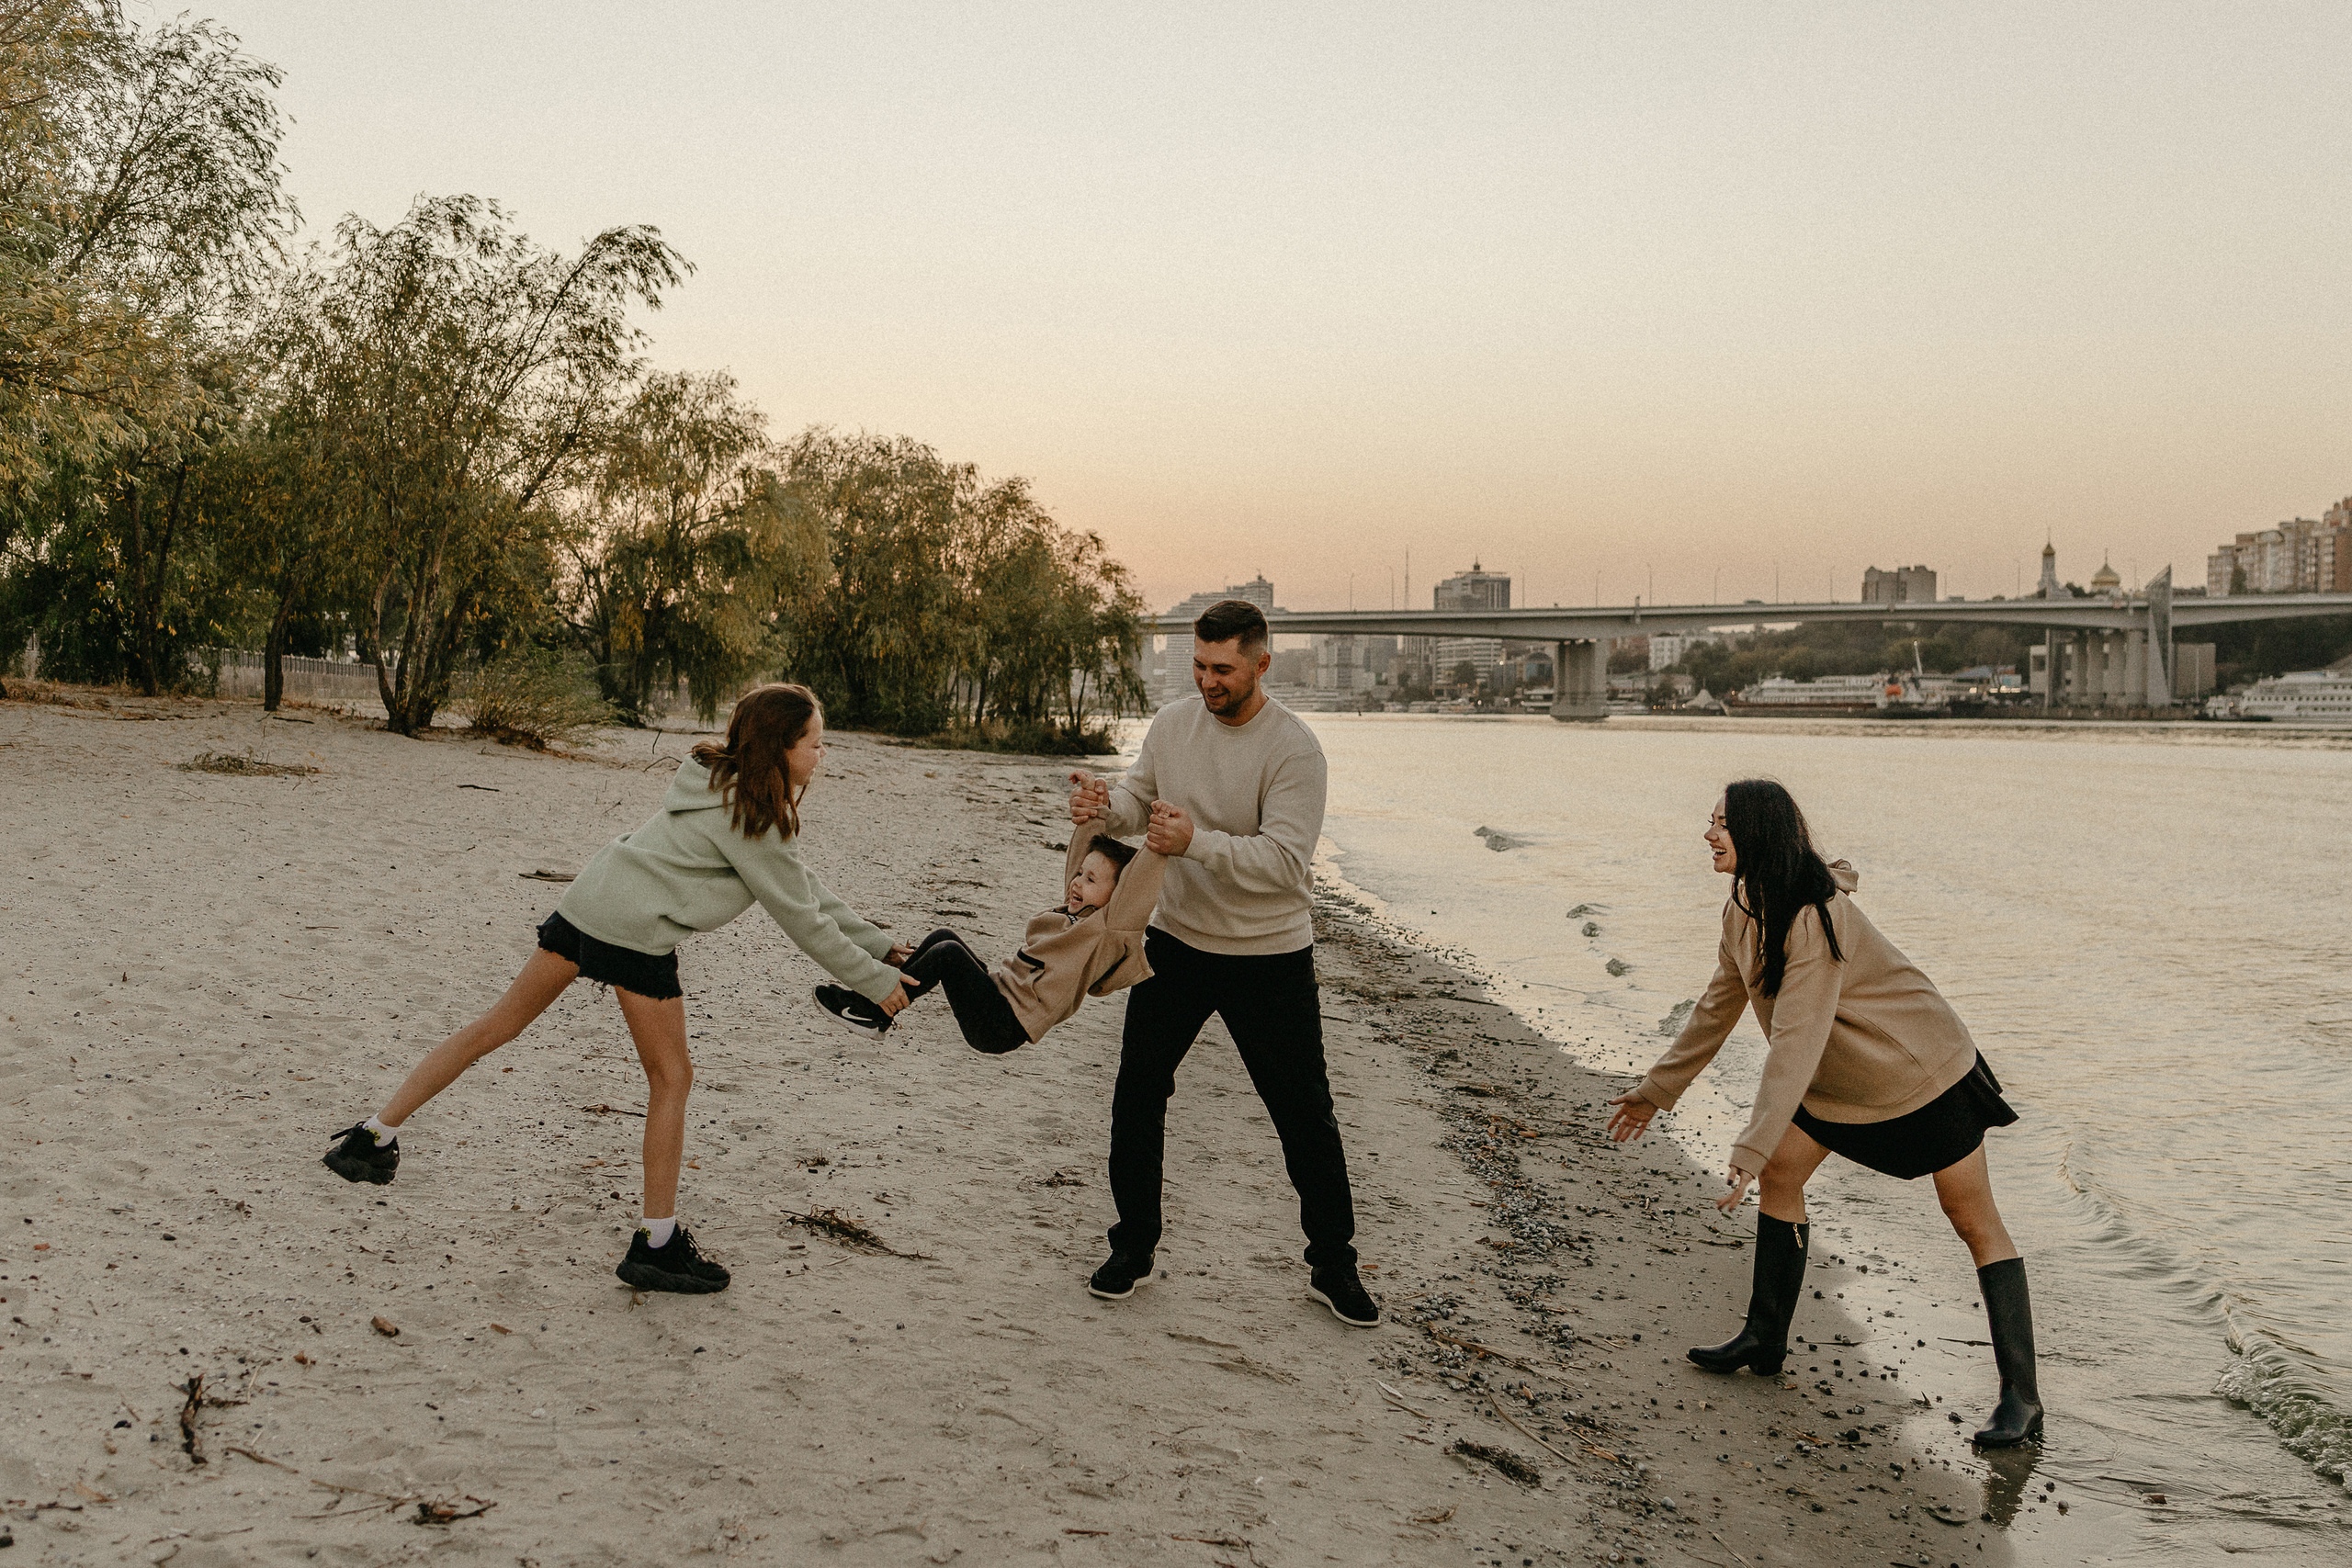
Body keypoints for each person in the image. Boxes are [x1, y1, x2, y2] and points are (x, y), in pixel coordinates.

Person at [321, 683, 918, 1295]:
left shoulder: (720, 782)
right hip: (633, 930)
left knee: (496, 1025)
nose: (822, 755)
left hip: (590, 900)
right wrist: (875, 982)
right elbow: (801, 917)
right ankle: (656, 1245)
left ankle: (370, 1138)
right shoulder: (752, 815)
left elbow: (802, 885)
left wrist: (875, 943)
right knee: (672, 1077)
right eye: (816, 744)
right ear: (782, 746)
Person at [1605, 779, 2041, 1447]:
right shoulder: (1744, 908)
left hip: (1920, 1072)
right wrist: (1656, 1090)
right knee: (1785, 1173)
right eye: (1709, 820)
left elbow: (1794, 1039)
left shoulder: (1814, 914)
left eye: (1721, 822)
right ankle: (1764, 1337)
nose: (1707, 833)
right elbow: (1718, 1007)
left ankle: (2022, 1399)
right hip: (1838, 1079)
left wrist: (1747, 1147)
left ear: (1757, 833)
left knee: (1971, 1216)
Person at [1067, 597, 1378, 1328]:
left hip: (1270, 954)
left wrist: (1195, 841)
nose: (1208, 681)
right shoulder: (1174, 724)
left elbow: (1284, 861)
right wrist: (1102, 804)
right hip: (1176, 941)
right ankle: (1133, 1247)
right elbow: (1141, 800)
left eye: (1223, 669)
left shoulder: (1295, 750)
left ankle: (1333, 1264)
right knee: (1137, 1093)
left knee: (1304, 1114)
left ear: (1261, 665)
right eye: (1200, 666)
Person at [811, 819, 1166, 1053]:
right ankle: (876, 1004)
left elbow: (1138, 888)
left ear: (1118, 898)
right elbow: (1084, 849)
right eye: (1080, 874)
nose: (1077, 882)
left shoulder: (1105, 929)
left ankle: (874, 1011)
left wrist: (1160, 843)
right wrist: (1094, 810)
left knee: (948, 953)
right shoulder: (1073, 914)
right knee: (943, 935)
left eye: (1090, 880)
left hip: (1003, 1025)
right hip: (997, 997)